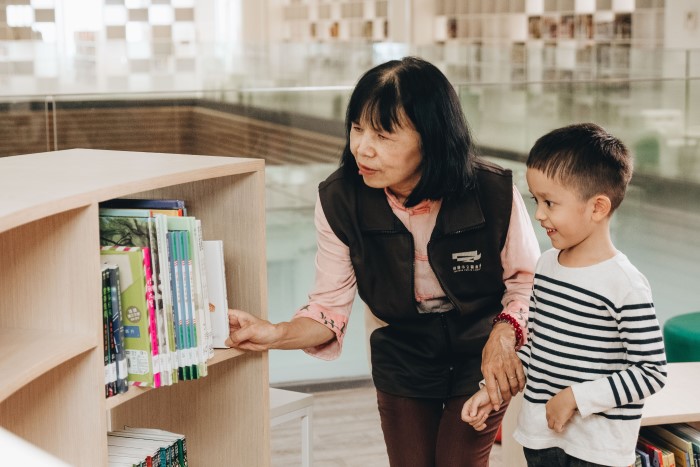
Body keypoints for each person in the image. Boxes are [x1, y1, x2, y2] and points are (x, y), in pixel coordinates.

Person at [226, 56, 540, 466]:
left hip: (480, 352)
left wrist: (503, 337)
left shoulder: (492, 191)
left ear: (432, 138)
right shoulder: (340, 199)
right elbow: (328, 310)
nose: (363, 148)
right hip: (403, 354)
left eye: (384, 135)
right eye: (357, 128)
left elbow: (530, 283)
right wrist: (274, 333)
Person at [461, 123, 668, 467]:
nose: (539, 214)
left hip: (596, 451)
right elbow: (539, 349)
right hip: (541, 439)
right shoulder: (546, 267)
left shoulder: (625, 284)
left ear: (597, 208)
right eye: (536, 200)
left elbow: (651, 371)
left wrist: (576, 397)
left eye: (550, 202)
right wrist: (492, 392)